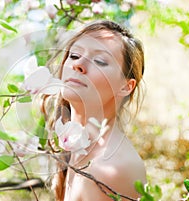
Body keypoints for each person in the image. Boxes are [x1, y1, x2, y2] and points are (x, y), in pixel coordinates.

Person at [42, 20, 147, 201]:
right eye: (74, 56)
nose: (78, 65)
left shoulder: (112, 167)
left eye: (99, 61)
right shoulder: (76, 148)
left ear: (126, 87)